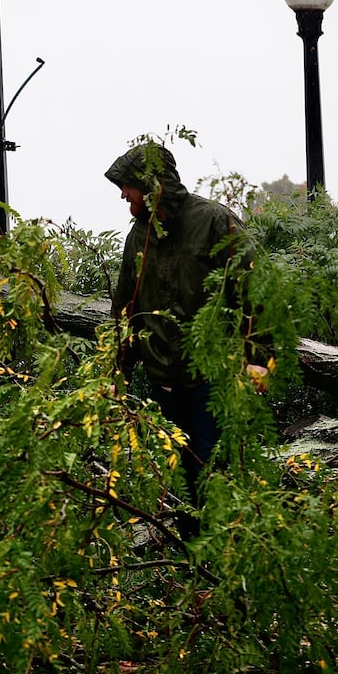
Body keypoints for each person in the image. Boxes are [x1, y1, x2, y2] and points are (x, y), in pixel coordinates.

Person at [104, 141, 257, 504]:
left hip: (213, 381)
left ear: (152, 183)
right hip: (164, 386)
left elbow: (255, 288)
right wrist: (117, 373)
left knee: (212, 477)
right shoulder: (138, 235)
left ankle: (220, 557)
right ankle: (193, 560)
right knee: (181, 486)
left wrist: (257, 358)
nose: (124, 194)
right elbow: (125, 309)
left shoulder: (214, 221)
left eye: (128, 185)